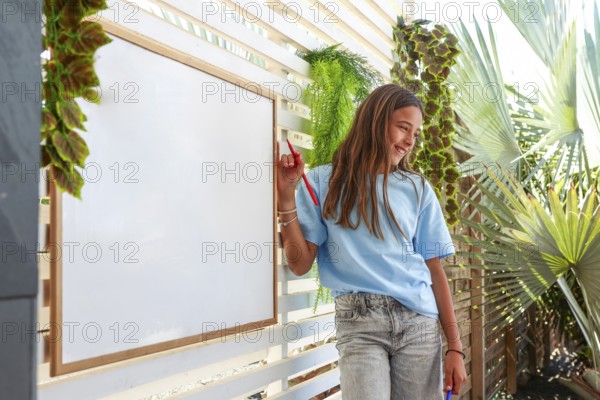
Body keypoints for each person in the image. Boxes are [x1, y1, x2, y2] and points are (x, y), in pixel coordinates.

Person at [276, 83, 467, 399]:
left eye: (415, 133)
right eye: (403, 128)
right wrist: (286, 196)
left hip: (418, 323)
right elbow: (299, 263)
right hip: (359, 324)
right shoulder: (323, 182)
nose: (409, 141)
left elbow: (434, 271)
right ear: (376, 122)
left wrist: (455, 349)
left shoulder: (417, 189)